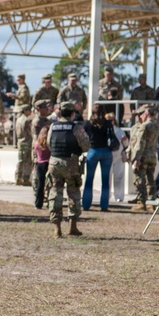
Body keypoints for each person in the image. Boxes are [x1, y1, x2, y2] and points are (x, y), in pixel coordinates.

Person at [47, 102, 90, 238]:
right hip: (71, 163)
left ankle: (57, 229)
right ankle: (72, 227)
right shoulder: (76, 127)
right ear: (72, 114)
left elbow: (49, 143)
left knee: (55, 193)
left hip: (54, 162)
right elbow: (86, 146)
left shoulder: (53, 126)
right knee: (73, 193)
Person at [82, 106, 115, 212]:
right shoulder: (108, 123)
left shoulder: (88, 123)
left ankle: (86, 204)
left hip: (93, 151)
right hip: (106, 151)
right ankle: (104, 205)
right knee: (105, 181)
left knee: (89, 179)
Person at [128, 104, 159, 211]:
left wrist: (136, 158)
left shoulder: (144, 126)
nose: (140, 117)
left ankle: (141, 202)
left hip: (143, 155)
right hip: (152, 155)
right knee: (150, 179)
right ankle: (151, 202)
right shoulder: (156, 125)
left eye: (141, 114)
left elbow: (140, 143)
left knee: (139, 178)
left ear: (146, 113)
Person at [106, 112, 129, 202]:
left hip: (118, 157)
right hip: (108, 157)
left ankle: (119, 196)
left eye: (111, 120)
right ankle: (106, 196)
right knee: (107, 178)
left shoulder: (120, 131)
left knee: (119, 177)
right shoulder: (105, 131)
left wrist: (125, 139)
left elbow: (126, 145)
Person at [14, 104, 33, 185]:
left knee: (20, 160)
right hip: (27, 142)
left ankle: (18, 177)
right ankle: (25, 179)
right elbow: (30, 132)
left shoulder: (18, 120)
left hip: (20, 141)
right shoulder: (27, 120)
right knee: (28, 161)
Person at [33, 125, 51, 210]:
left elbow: (35, 154)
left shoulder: (37, 143)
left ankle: (38, 203)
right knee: (49, 184)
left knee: (40, 184)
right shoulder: (49, 143)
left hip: (39, 164)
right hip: (48, 163)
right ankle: (49, 202)